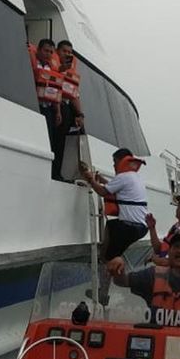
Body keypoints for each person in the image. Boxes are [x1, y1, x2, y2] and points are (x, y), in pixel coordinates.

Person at [81, 148, 149, 304]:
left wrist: (91, 180)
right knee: (112, 227)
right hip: (141, 227)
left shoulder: (124, 177)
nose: (113, 165)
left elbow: (104, 192)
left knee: (109, 256)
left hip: (129, 226)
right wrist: (102, 179)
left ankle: (104, 290)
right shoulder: (135, 177)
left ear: (121, 161)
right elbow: (116, 188)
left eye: (114, 162)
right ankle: (108, 261)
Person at [107, 231, 180, 328]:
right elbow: (121, 281)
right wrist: (118, 268)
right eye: (176, 246)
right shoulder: (153, 275)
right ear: (169, 252)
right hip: (157, 340)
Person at [53, 40, 85, 181]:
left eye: (69, 52)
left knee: (77, 136)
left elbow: (74, 95)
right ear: (57, 51)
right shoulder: (53, 67)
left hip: (67, 107)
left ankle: (78, 171)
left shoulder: (70, 73)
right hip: (55, 106)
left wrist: (80, 114)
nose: (67, 54)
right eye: (64, 51)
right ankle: (55, 172)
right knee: (57, 141)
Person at [31, 39, 63, 179]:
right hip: (34, 105)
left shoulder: (52, 69)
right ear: (38, 50)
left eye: (51, 52)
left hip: (48, 108)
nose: (48, 54)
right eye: (46, 50)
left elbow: (55, 91)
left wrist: (58, 111)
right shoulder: (31, 62)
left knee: (48, 138)